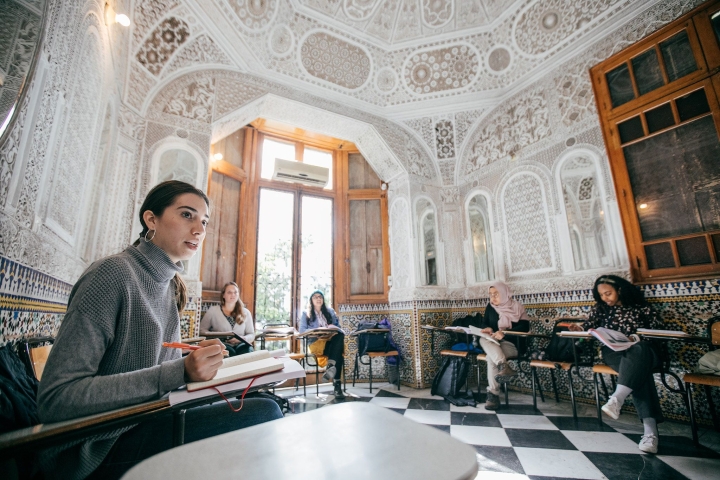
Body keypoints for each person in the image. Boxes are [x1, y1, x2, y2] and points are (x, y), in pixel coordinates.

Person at [37, 181, 283, 480]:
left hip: (148, 418)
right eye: (187, 215)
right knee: (263, 415)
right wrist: (180, 372)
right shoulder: (113, 274)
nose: (199, 230)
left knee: (267, 403)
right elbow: (57, 399)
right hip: (100, 446)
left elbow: (165, 376)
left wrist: (216, 375)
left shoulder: (167, 287)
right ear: (151, 219)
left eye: (204, 221)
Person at [568, 274, 663, 454]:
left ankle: (617, 398)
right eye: (602, 295)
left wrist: (634, 338)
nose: (605, 298)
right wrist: (580, 329)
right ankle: (650, 433)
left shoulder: (640, 307)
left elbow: (658, 331)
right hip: (614, 352)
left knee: (639, 353)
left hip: (644, 351)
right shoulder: (601, 309)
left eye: (608, 293)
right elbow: (590, 327)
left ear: (620, 289)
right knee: (638, 371)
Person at [478, 281, 530, 410]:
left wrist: (504, 334)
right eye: (490, 294)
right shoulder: (490, 307)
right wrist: (487, 328)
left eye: (496, 294)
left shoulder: (517, 307)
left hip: (512, 344)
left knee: (491, 358)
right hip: (494, 343)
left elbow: (524, 327)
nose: (493, 297)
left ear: (504, 293)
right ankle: (503, 366)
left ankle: (493, 395)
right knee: (482, 339)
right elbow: (484, 324)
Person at [298, 290, 345, 399]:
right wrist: (317, 331)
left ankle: (331, 366)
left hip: (330, 342)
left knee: (339, 336)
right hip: (316, 343)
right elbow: (302, 331)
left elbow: (338, 327)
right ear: (311, 300)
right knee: (338, 356)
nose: (318, 299)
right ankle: (337, 385)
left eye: (320, 297)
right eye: (315, 297)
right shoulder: (306, 313)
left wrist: (332, 329)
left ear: (323, 299)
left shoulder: (330, 311)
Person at [200, 282, 255, 356]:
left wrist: (244, 338)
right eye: (229, 292)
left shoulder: (246, 312)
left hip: (241, 345)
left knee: (247, 351)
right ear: (223, 295)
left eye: (235, 292)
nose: (233, 295)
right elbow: (201, 331)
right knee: (228, 352)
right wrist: (219, 336)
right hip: (222, 344)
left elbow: (251, 334)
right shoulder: (213, 311)